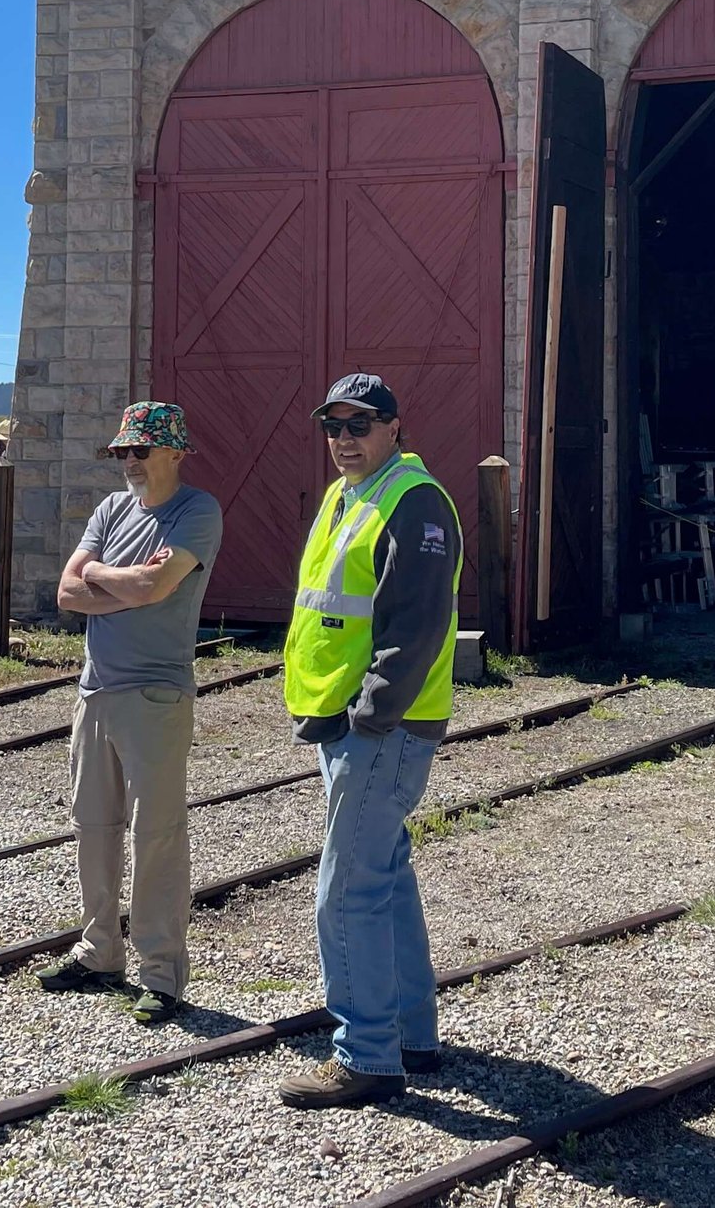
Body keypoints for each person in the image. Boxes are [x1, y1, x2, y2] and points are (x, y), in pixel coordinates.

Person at [278, 373, 462, 1108]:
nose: (345, 439)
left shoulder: (413, 499)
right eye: (334, 426)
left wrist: (372, 714)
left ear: (394, 427)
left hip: (380, 728)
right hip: (347, 721)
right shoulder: (346, 495)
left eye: (361, 425)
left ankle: (366, 1054)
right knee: (384, 878)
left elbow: (415, 625)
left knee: (346, 890)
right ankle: (412, 1036)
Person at [35, 401, 224, 1024]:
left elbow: (156, 588)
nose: (130, 462)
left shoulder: (196, 511)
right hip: (96, 692)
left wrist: (104, 579)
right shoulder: (111, 510)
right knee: (93, 826)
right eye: (122, 452)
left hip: (156, 695)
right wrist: (124, 582)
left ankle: (161, 972)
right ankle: (98, 952)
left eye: (140, 451)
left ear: (174, 453)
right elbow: (67, 593)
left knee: (157, 834)